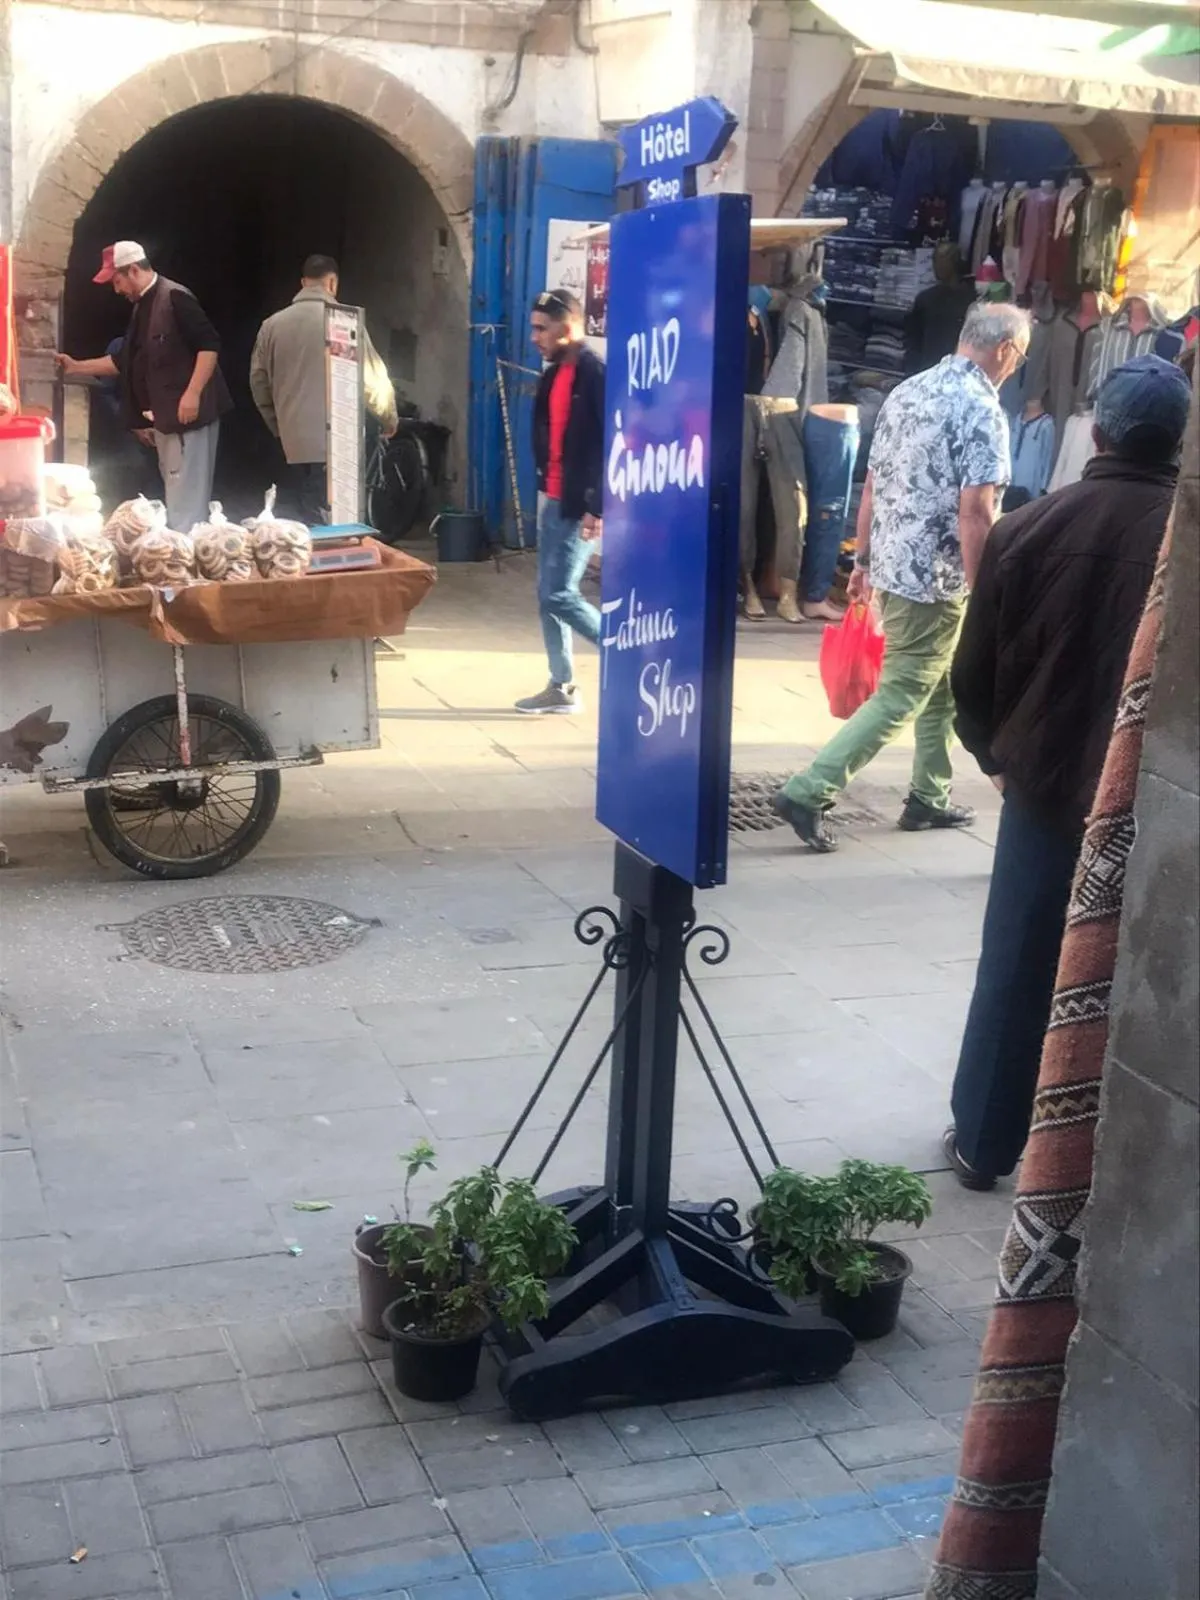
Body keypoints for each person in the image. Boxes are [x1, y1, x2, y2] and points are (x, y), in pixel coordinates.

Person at [943, 353, 1191, 1190]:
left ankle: (985, 1142)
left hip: (1042, 793)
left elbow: (970, 678)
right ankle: (1097, 1165)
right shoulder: (1183, 546)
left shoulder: (1027, 527)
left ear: (1099, 429)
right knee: (1132, 977)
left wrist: (996, 761)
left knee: (1015, 970)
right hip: (1148, 800)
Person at [773, 302, 1030, 852]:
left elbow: (871, 485)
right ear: (1005, 350)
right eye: (1020, 356)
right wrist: (987, 591)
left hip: (893, 566)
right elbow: (976, 513)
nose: (1015, 367)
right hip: (936, 578)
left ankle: (928, 796)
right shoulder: (982, 409)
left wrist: (862, 562)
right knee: (906, 691)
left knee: (937, 686)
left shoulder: (908, 390)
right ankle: (809, 790)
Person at [56, 242, 230, 534]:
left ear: (133, 269)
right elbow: (123, 361)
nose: (116, 289)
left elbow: (209, 345)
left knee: (186, 498)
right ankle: (180, 553)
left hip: (189, 418)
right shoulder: (142, 307)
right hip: (166, 419)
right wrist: (76, 366)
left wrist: (193, 393)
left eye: (117, 280)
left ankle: (184, 559)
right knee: (176, 491)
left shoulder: (175, 297)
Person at [250, 254, 399, 525]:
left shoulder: (271, 326)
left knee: (294, 525)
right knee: (334, 525)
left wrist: (279, 427)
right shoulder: (342, 321)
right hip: (336, 442)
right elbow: (371, 380)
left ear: (303, 283)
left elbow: (259, 383)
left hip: (291, 444)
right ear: (332, 283)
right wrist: (388, 417)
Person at [514, 289, 605, 715]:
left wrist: (599, 505)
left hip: (578, 504)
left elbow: (612, 444)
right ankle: (561, 684)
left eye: (541, 328)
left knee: (559, 594)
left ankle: (626, 652)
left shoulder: (595, 374)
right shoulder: (552, 375)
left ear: (567, 327)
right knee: (545, 594)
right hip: (552, 497)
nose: (534, 337)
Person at [904, 242, 976, 375]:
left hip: (958, 370)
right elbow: (914, 340)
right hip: (928, 368)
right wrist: (911, 372)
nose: (936, 266)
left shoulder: (970, 300)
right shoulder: (925, 299)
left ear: (954, 262)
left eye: (941, 260)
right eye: (934, 260)